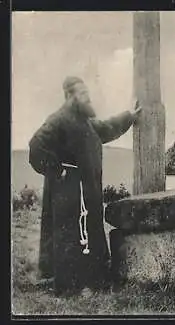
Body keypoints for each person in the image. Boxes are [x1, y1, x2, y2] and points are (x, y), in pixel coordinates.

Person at [29, 76, 142, 296]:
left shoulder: (85, 122)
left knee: (88, 232)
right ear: (69, 96)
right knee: (72, 236)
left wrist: (129, 116)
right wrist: (58, 170)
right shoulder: (58, 119)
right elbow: (36, 146)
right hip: (69, 191)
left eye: (87, 92)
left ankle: (93, 281)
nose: (88, 96)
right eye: (82, 93)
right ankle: (70, 287)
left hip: (86, 189)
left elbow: (108, 127)